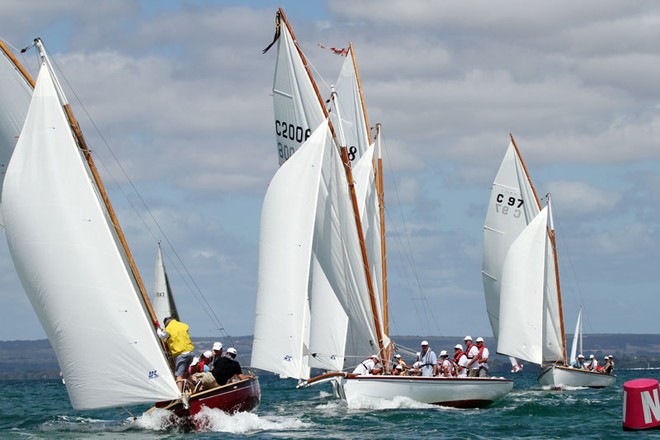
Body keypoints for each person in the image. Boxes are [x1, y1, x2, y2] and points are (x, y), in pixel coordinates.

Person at [158, 316, 195, 392]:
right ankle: (193, 389)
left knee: (179, 375)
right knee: (185, 373)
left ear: (166, 323)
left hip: (181, 355)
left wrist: (158, 329)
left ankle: (180, 393)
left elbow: (162, 336)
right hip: (190, 353)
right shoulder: (183, 325)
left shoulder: (169, 328)